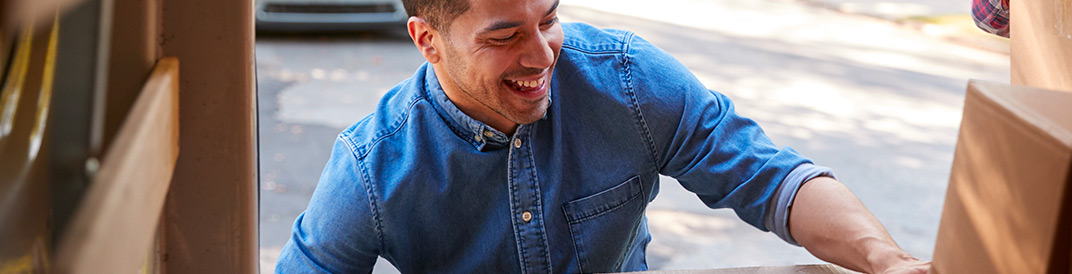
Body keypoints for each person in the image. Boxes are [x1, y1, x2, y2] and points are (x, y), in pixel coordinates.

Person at [275, 0, 932, 273]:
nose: (540, 54)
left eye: (549, 18)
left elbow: (769, 179)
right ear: (428, 42)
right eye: (504, 35)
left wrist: (887, 261)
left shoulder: (624, 79)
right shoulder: (371, 166)